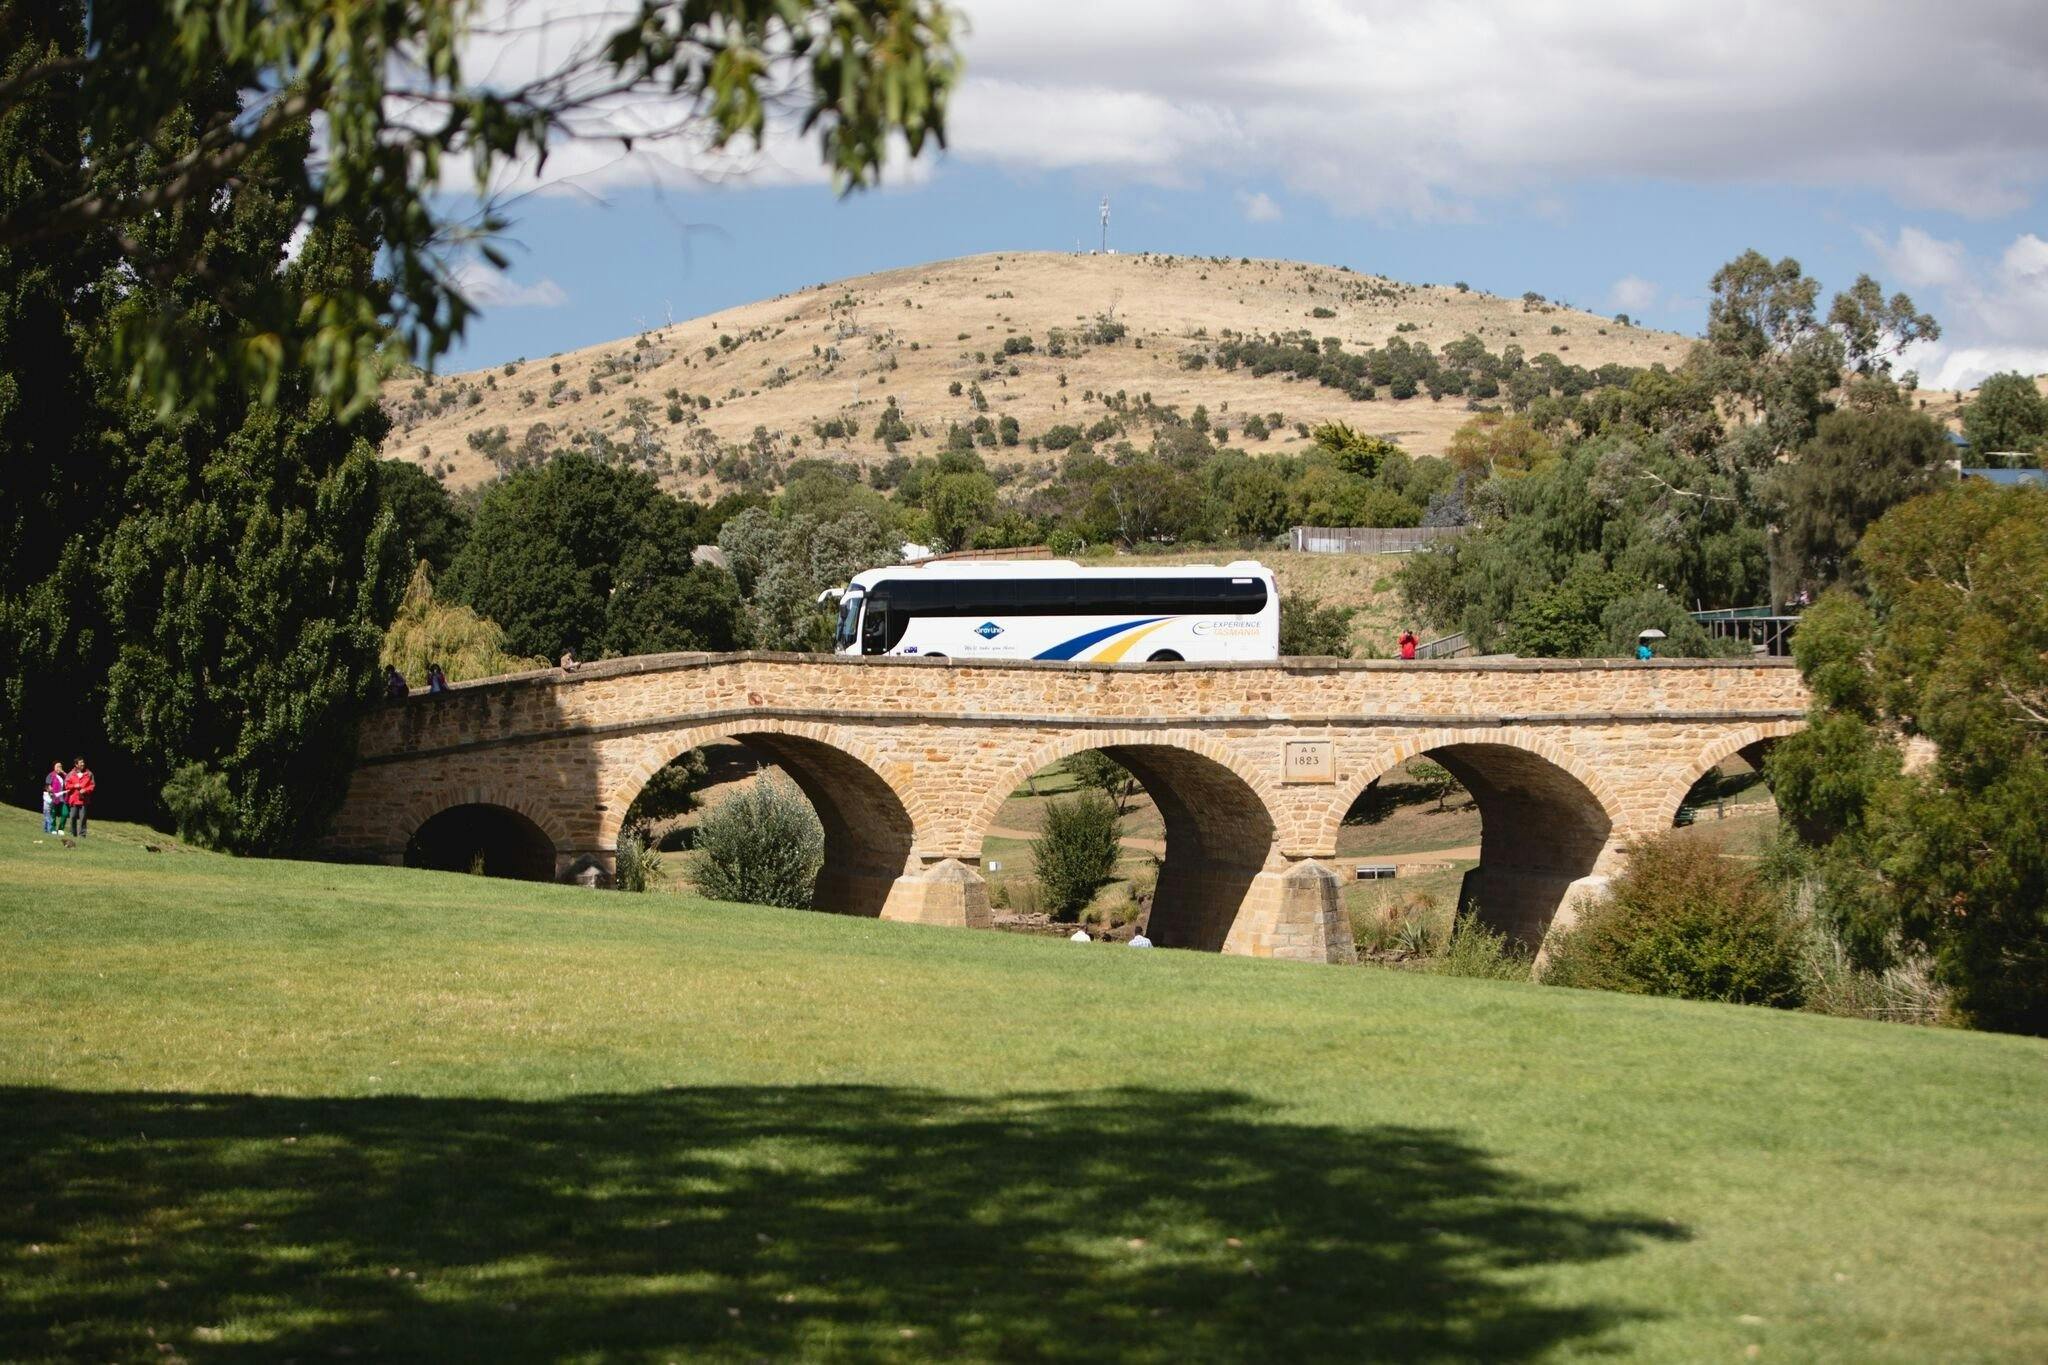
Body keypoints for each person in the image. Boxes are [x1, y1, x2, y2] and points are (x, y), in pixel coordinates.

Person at [63, 758, 93, 838]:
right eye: (81, 763)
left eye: (83, 762)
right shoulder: (71, 774)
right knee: (72, 817)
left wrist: (85, 790)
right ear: (76, 764)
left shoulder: (89, 774)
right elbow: (66, 785)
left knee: (83, 818)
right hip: (73, 799)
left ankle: (82, 835)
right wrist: (74, 786)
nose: (83, 764)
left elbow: (92, 785)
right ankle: (73, 834)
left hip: (84, 800)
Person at [42, 760, 66, 834]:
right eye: (58, 766)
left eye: (60, 766)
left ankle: (60, 829)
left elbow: (69, 779)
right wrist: (51, 792)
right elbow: (48, 785)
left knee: (65, 813)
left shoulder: (63, 776)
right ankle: (52, 829)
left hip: (62, 798)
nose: (59, 768)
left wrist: (63, 772)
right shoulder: (51, 775)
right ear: (54, 767)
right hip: (53, 797)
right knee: (53, 813)